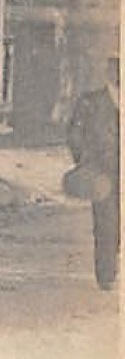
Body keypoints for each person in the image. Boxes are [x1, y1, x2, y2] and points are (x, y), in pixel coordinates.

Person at [66, 57, 120, 292]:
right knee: (106, 224)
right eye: (116, 66)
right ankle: (106, 275)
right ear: (109, 71)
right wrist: (85, 163)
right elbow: (75, 135)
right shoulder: (90, 102)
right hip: (104, 174)